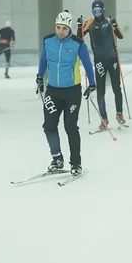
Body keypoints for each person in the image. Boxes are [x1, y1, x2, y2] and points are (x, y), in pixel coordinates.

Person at [36, 11, 96, 176]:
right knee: (49, 126)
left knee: (70, 127)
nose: (61, 31)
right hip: (53, 91)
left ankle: (76, 163)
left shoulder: (78, 44)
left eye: (64, 28)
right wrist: (39, 78)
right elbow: (43, 61)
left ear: (69, 28)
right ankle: (57, 158)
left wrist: (92, 84)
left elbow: (88, 65)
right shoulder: (48, 41)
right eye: (58, 27)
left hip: (72, 92)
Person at [77, 0, 125, 130]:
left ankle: (119, 114)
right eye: (94, 11)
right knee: (101, 91)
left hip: (112, 59)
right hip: (99, 61)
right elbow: (79, 38)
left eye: (99, 11)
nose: (97, 13)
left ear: (103, 10)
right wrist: (79, 26)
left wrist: (114, 25)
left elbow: (121, 36)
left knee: (117, 88)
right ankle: (104, 118)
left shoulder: (109, 20)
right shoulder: (89, 23)